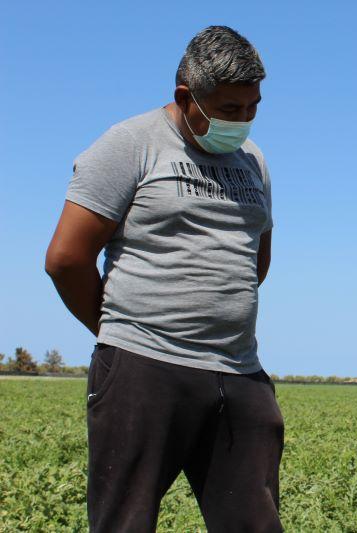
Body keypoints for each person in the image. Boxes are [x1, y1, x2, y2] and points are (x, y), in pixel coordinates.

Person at [45, 26, 283, 532]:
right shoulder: (130, 144)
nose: (243, 121)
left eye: (252, 107)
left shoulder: (253, 161)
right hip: (143, 368)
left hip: (239, 370)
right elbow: (66, 259)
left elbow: (252, 259)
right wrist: (122, 335)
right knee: (125, 524)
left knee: (255, 524)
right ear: (184, 96)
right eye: (229, 109)